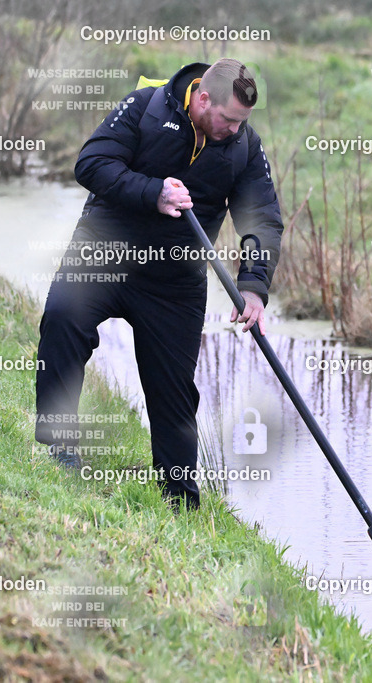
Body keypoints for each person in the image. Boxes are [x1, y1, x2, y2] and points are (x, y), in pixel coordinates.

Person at [34, 58, 284, 510]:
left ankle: (180, 502)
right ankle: (59, 449)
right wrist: (154, 192)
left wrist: (253, 284)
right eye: (228, 119)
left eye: (242, 122)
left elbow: (262, 218)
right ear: (202, 99)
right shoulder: (145, 107)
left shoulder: (244, 145)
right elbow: (91, 163)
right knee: (62, 320)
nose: (235, 129)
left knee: (173, 394)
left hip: (175, 279)